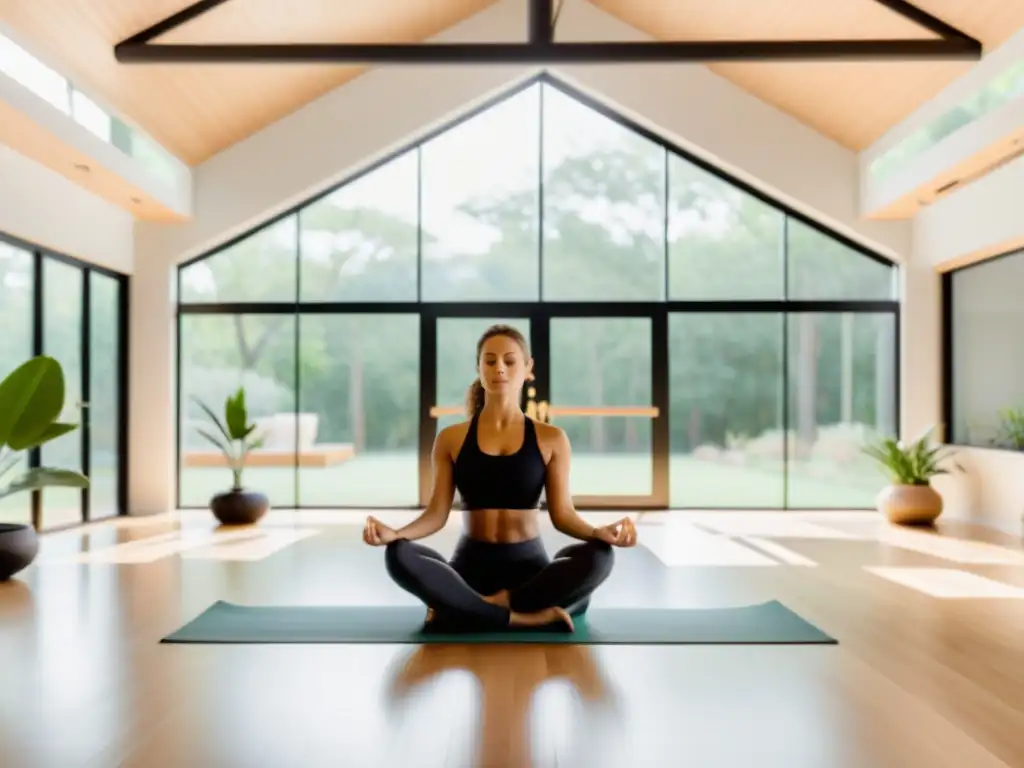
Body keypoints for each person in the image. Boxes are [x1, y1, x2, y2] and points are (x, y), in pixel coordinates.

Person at [363, 324, 637, 632]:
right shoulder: (451, 438)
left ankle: (468, 608)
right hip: (469, 568)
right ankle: (522, 616)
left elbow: (563, 516)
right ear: (478, 367)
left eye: (510, 361)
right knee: (399, 554)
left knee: (600, 557)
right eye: (490, 361)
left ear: (528, 367)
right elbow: (436, 515)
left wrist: (598, 532)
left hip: (530, 570)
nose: (500, 369)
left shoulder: (552, 438)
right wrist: (396, 534)